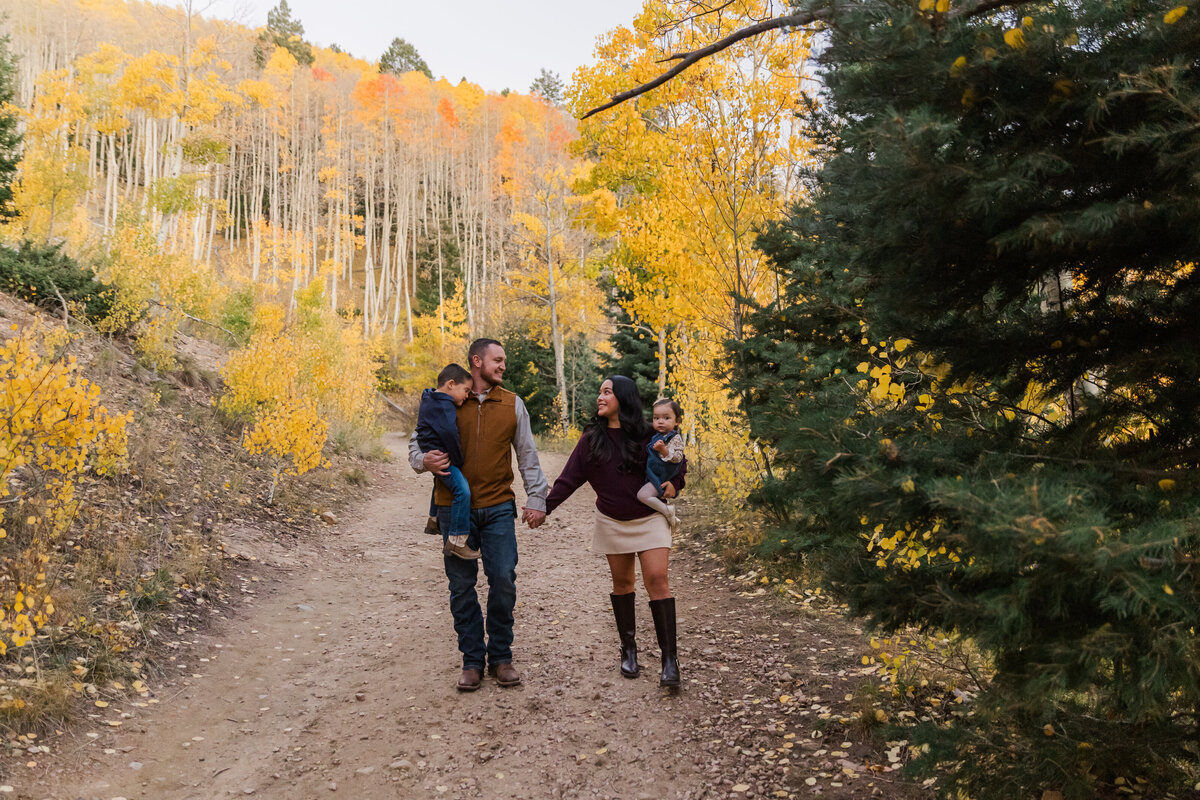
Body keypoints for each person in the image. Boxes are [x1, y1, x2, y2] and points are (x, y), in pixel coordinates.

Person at [408, 338, 549, 692]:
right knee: (461, 586)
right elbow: (417, 442)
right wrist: (422, 461)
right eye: (497, 360)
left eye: (504, 361)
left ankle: (501, 656)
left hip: (499, 505)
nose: (503, 366)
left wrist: (537, 497)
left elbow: (527, 454)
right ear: (477, 362)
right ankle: (472, 661)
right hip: (452, 508)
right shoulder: (449, 398)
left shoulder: (512, 404)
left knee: (503, 578)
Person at [544, 376, 685, 689]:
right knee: (622, 583)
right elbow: (569, 479)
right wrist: (544, 507)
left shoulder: (649, 432)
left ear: (623, 397)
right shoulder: (592, 438)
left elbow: (678, 460)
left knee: (658, 580)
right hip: (611, 521)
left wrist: (676, 484)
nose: (600, 396)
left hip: (650, 518)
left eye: (606, 391)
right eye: (599, 391)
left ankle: (670, 660)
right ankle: (629, 650)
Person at [415, 363, 478, 560]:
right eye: (465, 390)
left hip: (431, 450)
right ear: (451, 384)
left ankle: (433, 519)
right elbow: (450, 434)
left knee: (439, 479)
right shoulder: (445, 406)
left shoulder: (429, 397)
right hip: (441, 456)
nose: (467, 396)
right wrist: (458, 460)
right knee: (462, 490)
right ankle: (457, 541)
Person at [637, 398, 685, 532]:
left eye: (666, 418)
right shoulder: (656, 435)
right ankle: (669, 516)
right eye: (656, 418)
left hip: (663, 474)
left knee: (643, 495)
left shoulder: (675, 438)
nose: (660, 421)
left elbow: (678, 458)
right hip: (654, 473)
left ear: (677, 421)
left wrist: (664, 450)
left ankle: (667, 511)